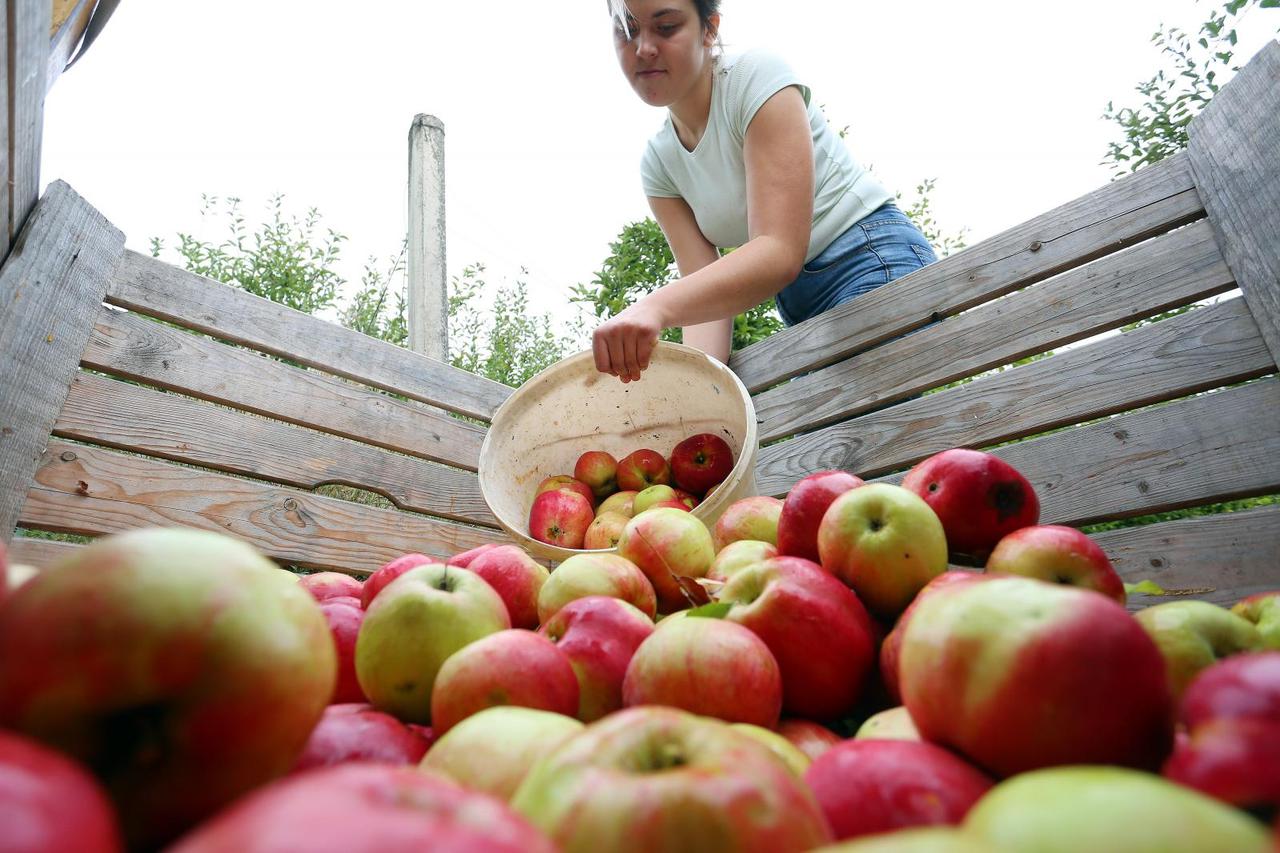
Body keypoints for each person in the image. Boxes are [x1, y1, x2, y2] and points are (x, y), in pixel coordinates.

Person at [592, 0, 937, 383]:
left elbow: (778, 250)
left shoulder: (755, 78)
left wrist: (653, 307)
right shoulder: (658, 165)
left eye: (667, 27)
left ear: (710, 29)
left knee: (838, 437)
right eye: (627, 32)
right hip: (801, 305)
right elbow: (708, 306)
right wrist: (694, 391)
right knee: (829, 435)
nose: (644, 48)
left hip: (870, 259)